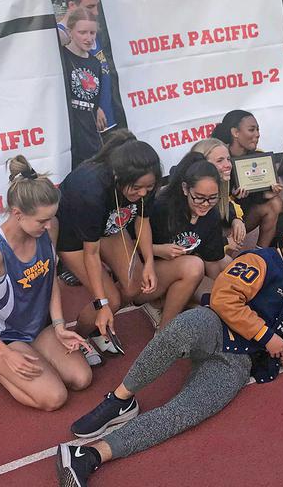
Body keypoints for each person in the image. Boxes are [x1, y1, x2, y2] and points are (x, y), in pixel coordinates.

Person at [56, 209, 283, 487]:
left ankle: (87, 455)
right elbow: (224, 298)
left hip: (237, 361)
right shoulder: (262, 261)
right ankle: (121, 400)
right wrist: (267, 336)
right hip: (215, 327)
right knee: (180, 330)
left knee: (183, 413)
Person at [0, 156, 92, 410]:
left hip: (37, 326)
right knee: (54, 399)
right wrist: (5, 354)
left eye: (51, 218)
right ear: (17, 214)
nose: (48, 225)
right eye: (41, 220)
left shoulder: (47, 228)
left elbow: (50, 277)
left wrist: (59, 325)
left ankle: (34, 353)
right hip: (3, 336)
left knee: (81, 378)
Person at [53, 132, 186, 359]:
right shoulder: (91, 191)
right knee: (111, 299)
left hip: (110, 224)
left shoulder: (144, 182)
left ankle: (99, 325)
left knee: (133, 286)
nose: (143, 193)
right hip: (76, 237)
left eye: (149, 187)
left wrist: (149, 264)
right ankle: (79, 337)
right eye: (136, 188)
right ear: (118, 177)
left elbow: (143, 220)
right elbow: (91, 253)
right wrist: (102, 302)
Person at [151, 151, 232, 281]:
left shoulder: (212, 214)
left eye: (212, 198)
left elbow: (212, 260)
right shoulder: (161, 207)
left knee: (228, 265)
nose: (205, 204)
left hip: (187, 263)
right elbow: (131, 245)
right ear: (185, 189)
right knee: (194, 266)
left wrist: (218, 292)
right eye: (199, 198)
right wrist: (157, 250)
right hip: (150, 268)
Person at [211, 110, 283, 247]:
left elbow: (257, 197)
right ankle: (223, 257)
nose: (257, 134)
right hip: (219, 217)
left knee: (275, 203)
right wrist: (233, 197)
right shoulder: (218, 158)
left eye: (258, 129)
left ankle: (260, 255)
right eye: (251, 130)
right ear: (235, 133)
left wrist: (267, 194)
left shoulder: (259, 156)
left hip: (244, 216)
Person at [57, 0, 115, 144]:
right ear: (72, 6)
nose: (96, 12)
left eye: (97, 6)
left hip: (108, 122)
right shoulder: (58, 37)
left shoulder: (92, 31)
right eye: (90, 7)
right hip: (83, 130)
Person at [61, 8, 112, 167]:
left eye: (92, 33)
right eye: (82, 32)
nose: (89, 38)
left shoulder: (95, 63)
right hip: (69, 138)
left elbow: (92, 98)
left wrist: (97, 108)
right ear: (71, 31)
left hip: (90, 139)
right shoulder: (61, 58)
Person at [190, 138, 247, 252]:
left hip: (207, 248)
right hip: (186, 256)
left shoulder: (220, 185)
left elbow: (226, 203)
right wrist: (225, 243)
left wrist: (237, 219)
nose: (228, 165)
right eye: (220, 160)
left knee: (235, 229)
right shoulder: (191, 192)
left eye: (228, 159)